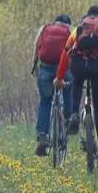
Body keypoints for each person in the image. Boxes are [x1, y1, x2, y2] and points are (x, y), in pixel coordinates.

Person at [55, 5, 98, 169]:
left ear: (88, 17)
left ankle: (73, 115)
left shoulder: (78, 29)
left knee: (77, 83)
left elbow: (65, 54)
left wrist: (59, 78)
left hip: (78, 65)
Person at [32, 14, 74, 156]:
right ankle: (68, 120)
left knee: (45, 101)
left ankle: (42, 135)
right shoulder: (70, 33)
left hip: (45, 69)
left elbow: (37, 49)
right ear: (68, 25)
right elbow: (73, 54)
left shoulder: (45, 29)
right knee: (69, 89)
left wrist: (35, 67)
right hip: (64, 70)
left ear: (55, 22)